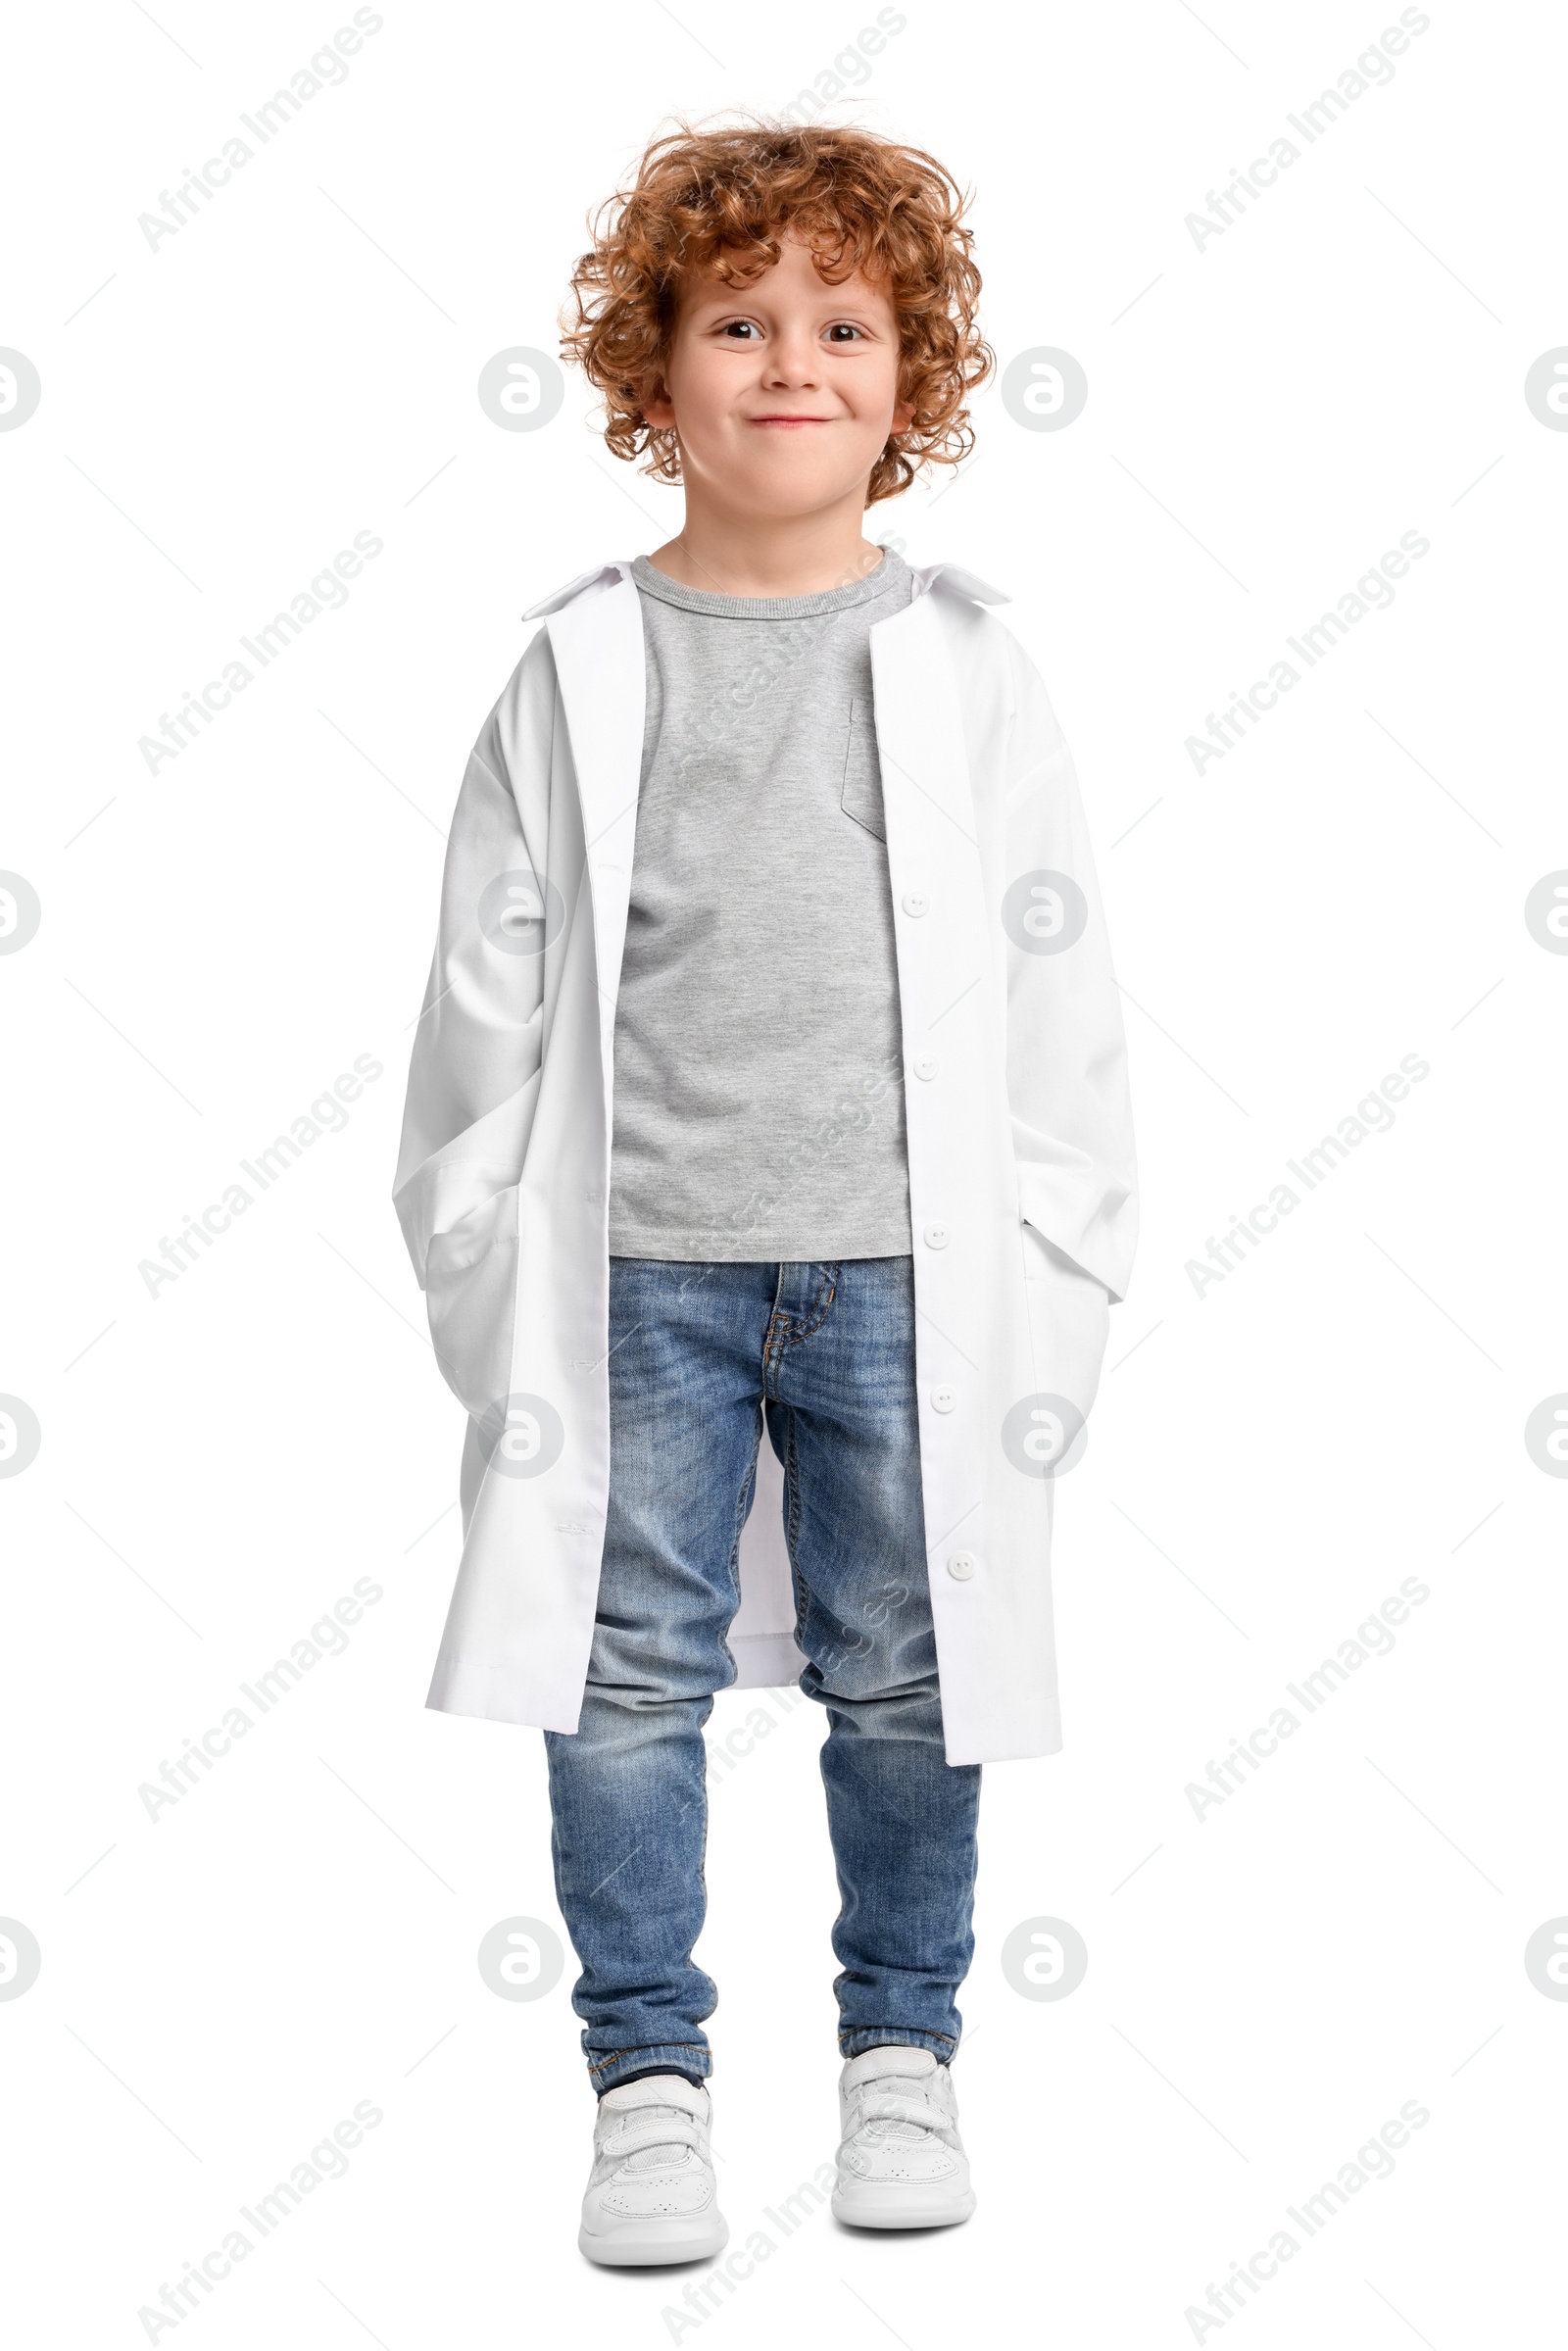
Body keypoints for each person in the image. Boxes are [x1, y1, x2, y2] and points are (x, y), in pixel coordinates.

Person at [392, 117, 1138, 2267]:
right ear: (650, 370)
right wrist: (480, 1266)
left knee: (909, 1664)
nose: (788, 362)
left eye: (840, 323)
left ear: (914, 379)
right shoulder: (574, 666)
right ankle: (645, 2082)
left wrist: (1057, 1266)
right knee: (619, 1671)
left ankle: (898, 2060)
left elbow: (1060, 989)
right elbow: (481, 1004)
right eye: (736, 321)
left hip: (910, 1276)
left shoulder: (974, 668)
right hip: (633, 1271)